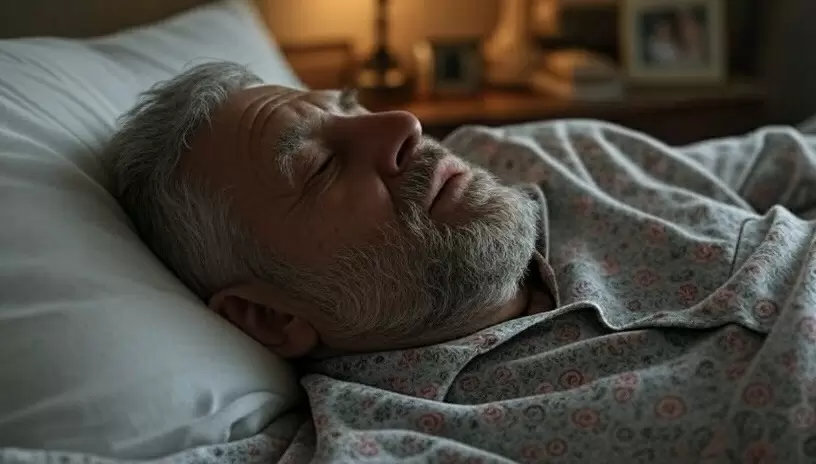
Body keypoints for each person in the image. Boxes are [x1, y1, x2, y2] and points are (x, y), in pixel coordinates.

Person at [106, 62, 816, 462]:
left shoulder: (547, 156)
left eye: (351, 105)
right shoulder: (391, 445)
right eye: (320, 166)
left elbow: (786, 159)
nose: (403, 125)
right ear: (269, 315)